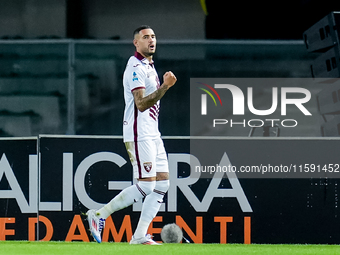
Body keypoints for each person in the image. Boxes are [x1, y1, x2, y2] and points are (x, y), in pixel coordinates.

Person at [86, 25, 177, 245]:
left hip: (152, 133)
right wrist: (165, 87)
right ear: (136, 43)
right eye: (146, 37)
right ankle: (99, 215)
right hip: (139, 133)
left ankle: (138, 236)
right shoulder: (135, 67)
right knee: (146, 185)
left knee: (162, 184)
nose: (151, 40)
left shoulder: (148, 65)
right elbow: (141, 103)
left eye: (153, 36)